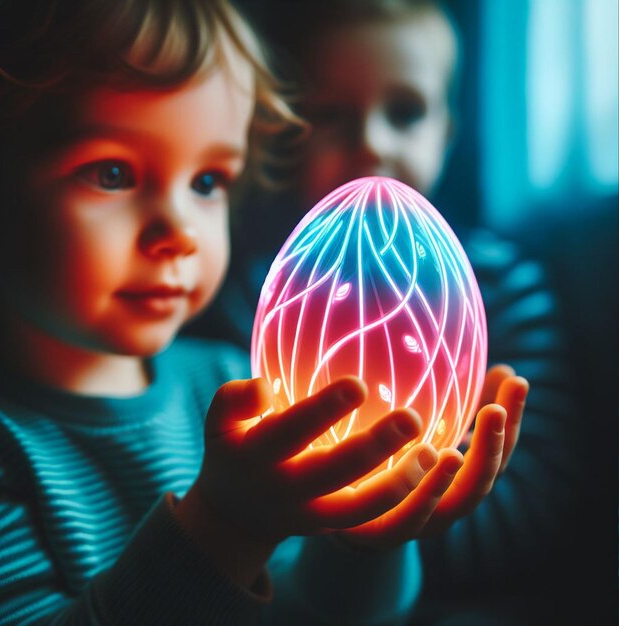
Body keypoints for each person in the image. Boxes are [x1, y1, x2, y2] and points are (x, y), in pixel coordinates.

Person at [0, 0, 530, 624]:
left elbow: (308, 615)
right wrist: (225, 528)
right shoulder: (6, 453)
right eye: (112, 173)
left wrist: (360, 537)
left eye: (207, 182)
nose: (179, 232)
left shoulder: (240, 388)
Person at [191, 0, 580, 624]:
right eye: (331, 115)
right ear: (289, 133)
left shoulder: (498, 285)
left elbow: (532, 511)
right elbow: (240, 502)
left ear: (448, 133)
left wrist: (388, 519)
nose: (372, 142)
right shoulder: (258, 298)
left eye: (405, 112)